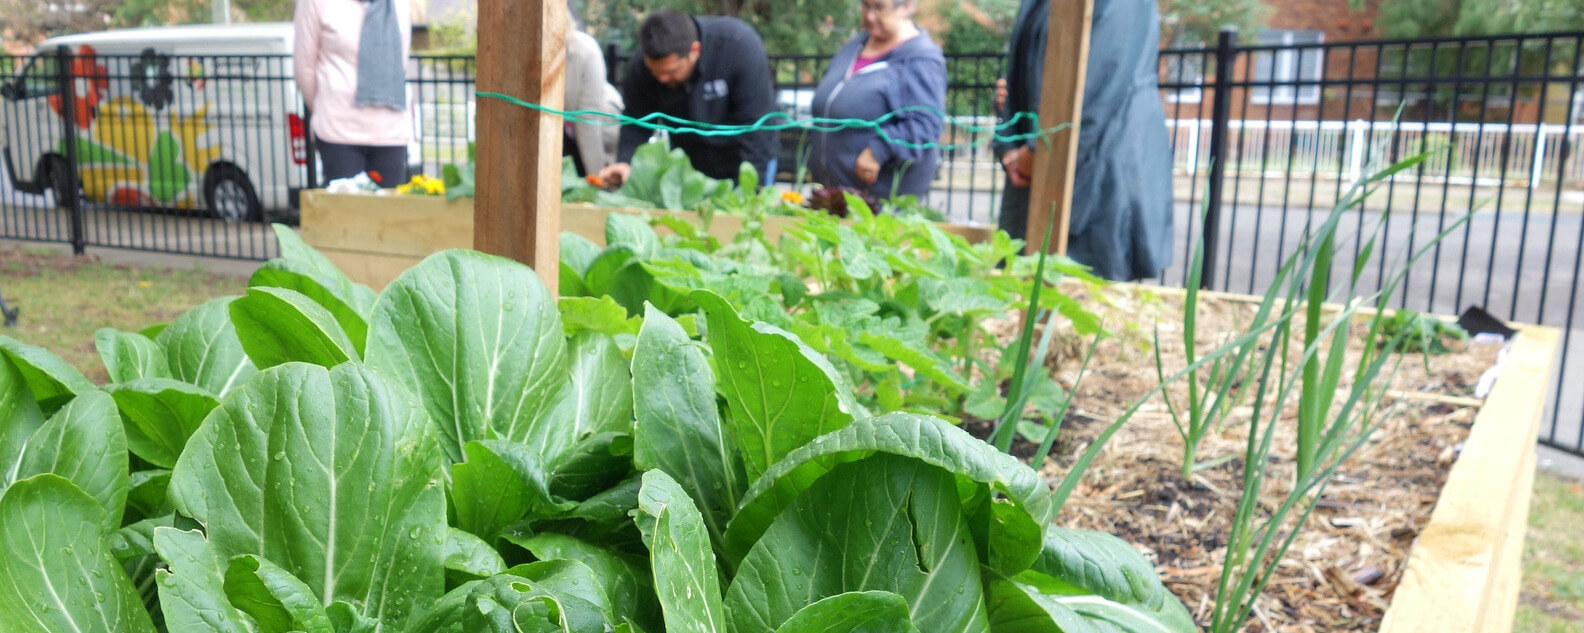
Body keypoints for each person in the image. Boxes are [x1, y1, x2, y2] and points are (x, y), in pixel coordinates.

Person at [997, 0, 1174, 281]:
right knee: (1020, 290)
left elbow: (1098, 85)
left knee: (1077, 297)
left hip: (1098, 183)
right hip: (1030, 175)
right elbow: (1017, 80)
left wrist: (1039, 153)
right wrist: (1007, 147)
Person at [598, 10, 779, 186]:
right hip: (692, 165)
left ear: (695, 51)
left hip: (746, 157)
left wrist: (750, 189)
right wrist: (625, 162)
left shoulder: (738, 45)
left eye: (671, 71)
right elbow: (636, 121)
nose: (662, 79)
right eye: (655, 72)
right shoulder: (641, 66)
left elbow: (757, 129)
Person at [807, 0, 946, 199]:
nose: (869, 16)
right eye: (865, 5)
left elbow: (926, 124)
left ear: (907, 5)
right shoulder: (853, 47)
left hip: (880, 203)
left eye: (880, 7)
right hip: (833, 196)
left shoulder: (920, 58)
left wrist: (879, 149)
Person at [293, 0, 412, 186]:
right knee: (344, 205)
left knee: (389, 205)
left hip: (390, 132)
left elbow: (401, 63)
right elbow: (304, 68)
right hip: (338, 132)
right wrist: (327, 107)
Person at [564, 21, 623, 177]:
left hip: (602, 128)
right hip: (568, 131)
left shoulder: (585, 51)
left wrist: (596, 178)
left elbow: (588, 119)